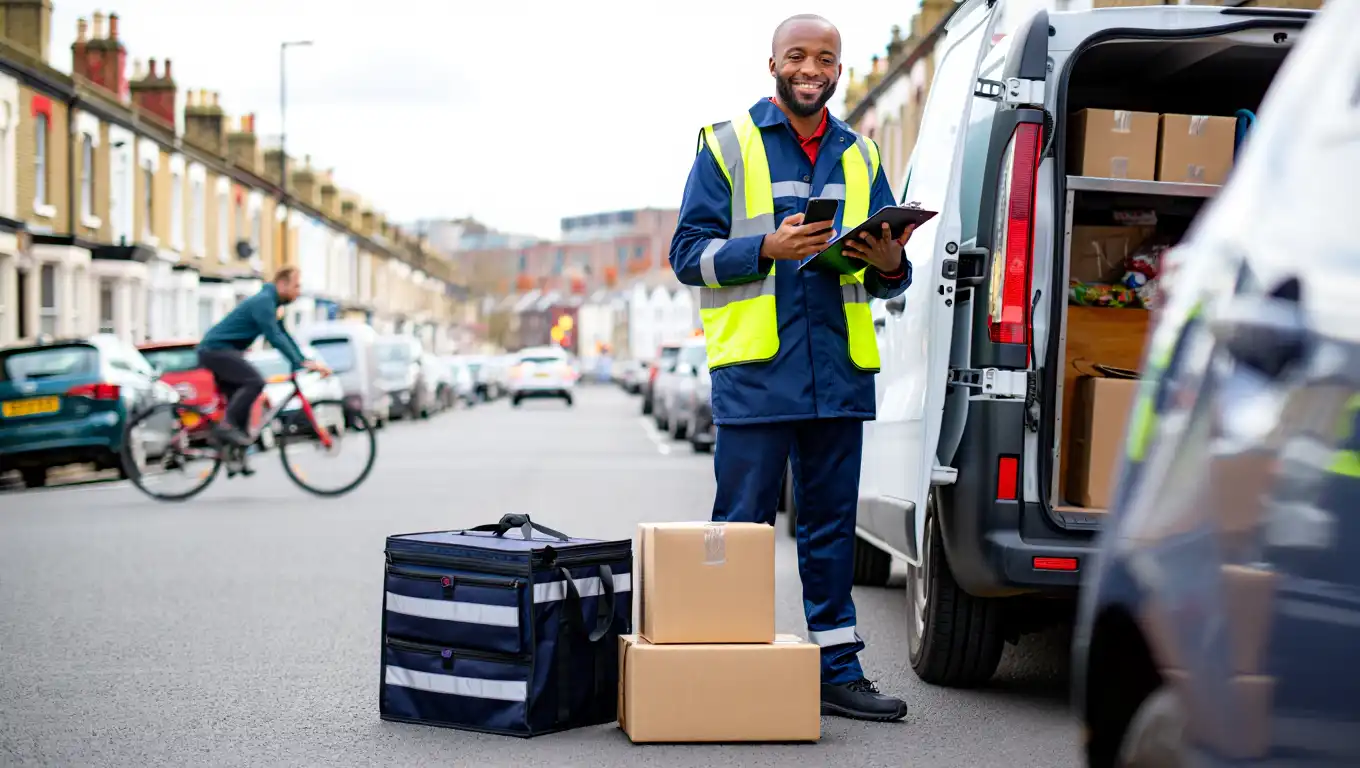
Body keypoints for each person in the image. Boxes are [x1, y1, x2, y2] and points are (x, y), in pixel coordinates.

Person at [668, 14, 914, 722]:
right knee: (741, 528)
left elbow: (885, 277)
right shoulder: (726, 145)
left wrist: (891, 262)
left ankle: (836, 670)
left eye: (826, 58)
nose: (812, 68)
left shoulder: (862, 156)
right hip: (756, 373)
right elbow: (688, 255)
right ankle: (723, 666)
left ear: (840, 70)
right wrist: (765, 250)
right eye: (798, 56)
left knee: (832, 528)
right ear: (772, 63)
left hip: (837, 373)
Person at [197, 266, 329, 447]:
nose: (298, 292)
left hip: (224, 351)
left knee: (241, 399)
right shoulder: (264, 302)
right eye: (296, 286)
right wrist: (300, 362)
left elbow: (284, 335)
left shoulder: (271, 304)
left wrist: (304, 360)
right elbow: (274, 337)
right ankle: (226, 427)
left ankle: (234, 453)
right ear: (282, 284)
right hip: (215, 350)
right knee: (255, 382)